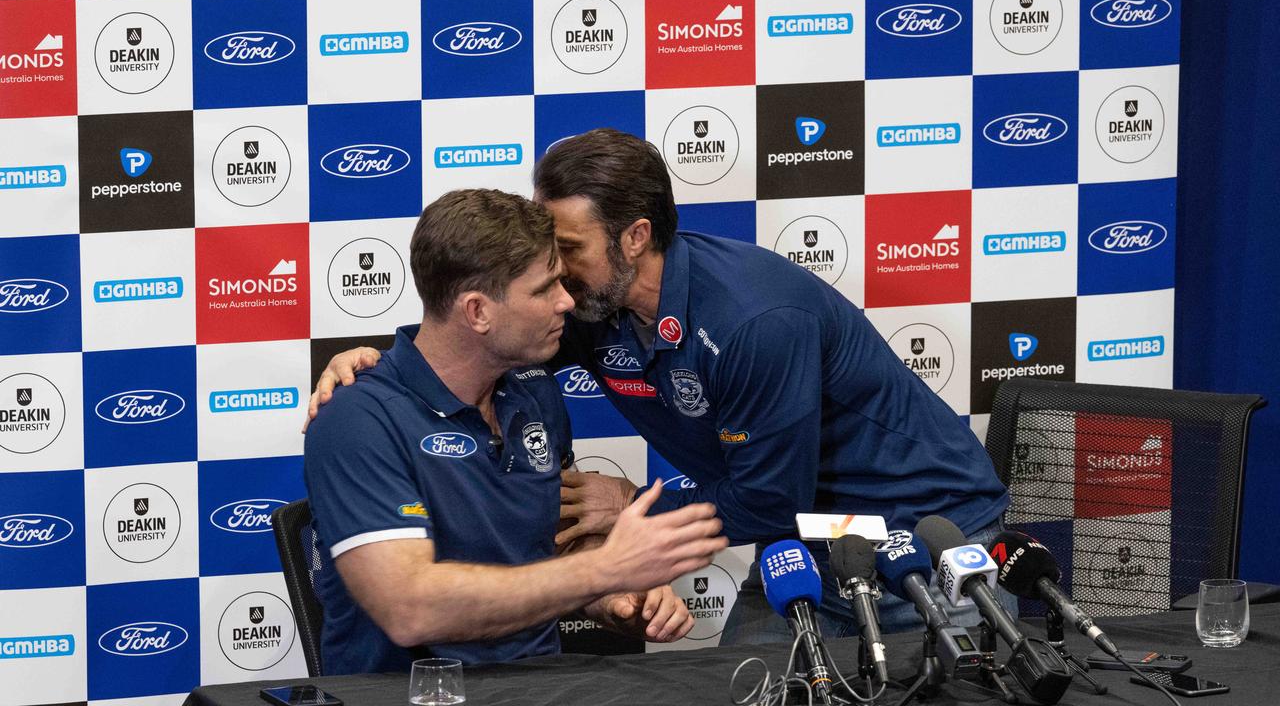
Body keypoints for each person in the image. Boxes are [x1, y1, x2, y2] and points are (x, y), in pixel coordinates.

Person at [308, 130, 1012, 645]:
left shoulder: (754, 319)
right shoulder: (585, 308)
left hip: (913, 532)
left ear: (634, 237)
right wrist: (374, 362)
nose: (554, 275)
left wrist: (634, 506)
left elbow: (770, 501)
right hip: (808, 540)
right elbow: (475, 331)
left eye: (567, 253)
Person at [303, 188, 728, 674]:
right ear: (478, 312)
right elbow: (410, 609)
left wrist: (617, 594)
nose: (568, 302)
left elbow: (561, 537)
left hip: (536, 686)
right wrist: (603, 569)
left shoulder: (533, 390)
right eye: (545, 288)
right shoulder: (357, 420)